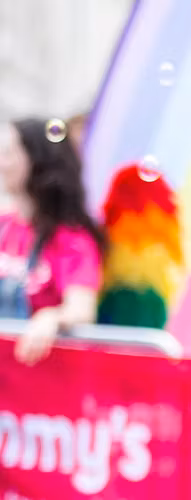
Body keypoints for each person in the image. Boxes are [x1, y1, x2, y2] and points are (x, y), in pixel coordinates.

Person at [0, 118, 106, 365]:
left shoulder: (71, 238)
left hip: (39, 379)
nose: (1, 163)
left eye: (9, 154)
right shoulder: (4, 224)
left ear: (37, 161)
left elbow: (81, 308)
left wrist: (51, 318)